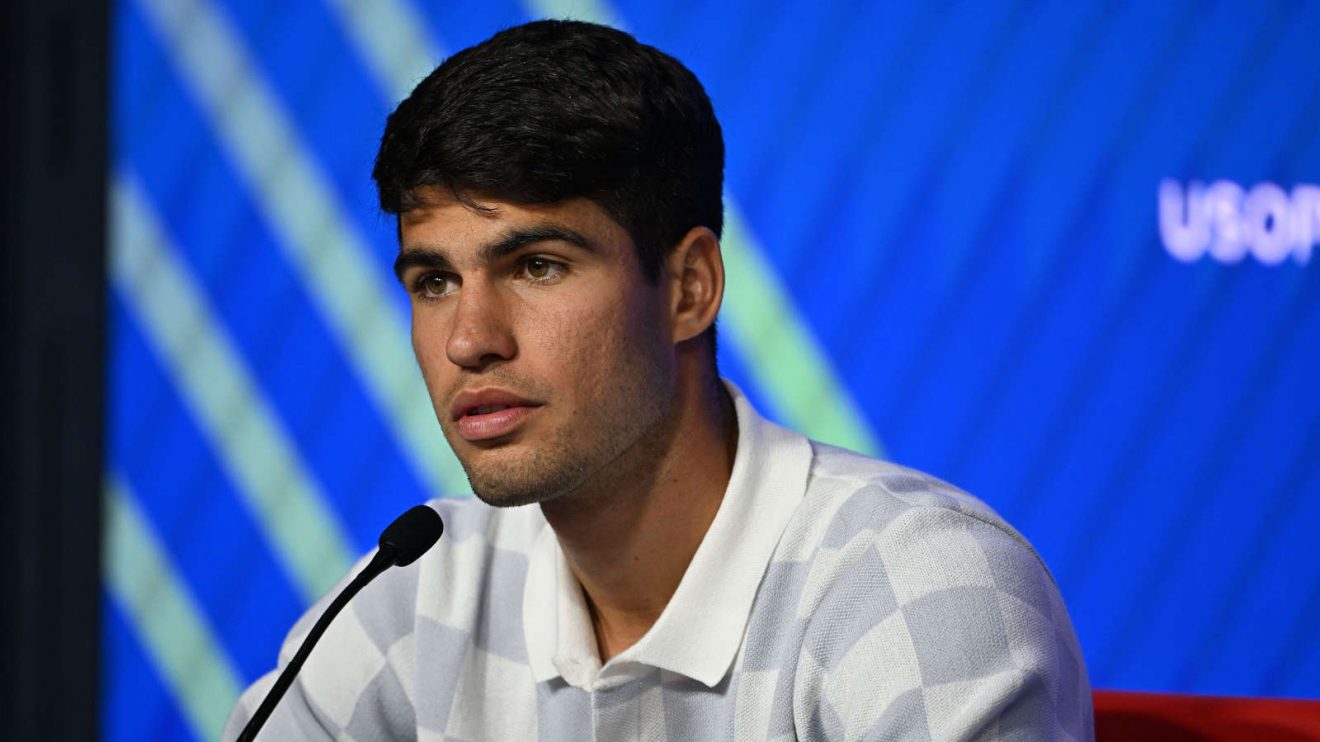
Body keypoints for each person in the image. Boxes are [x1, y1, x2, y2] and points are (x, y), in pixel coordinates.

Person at [226, 19, 1093, 741]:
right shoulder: (420, 591)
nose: (468, 341)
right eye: (434, 282)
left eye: (536, 266)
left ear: (689, 289)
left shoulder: (915, 591)